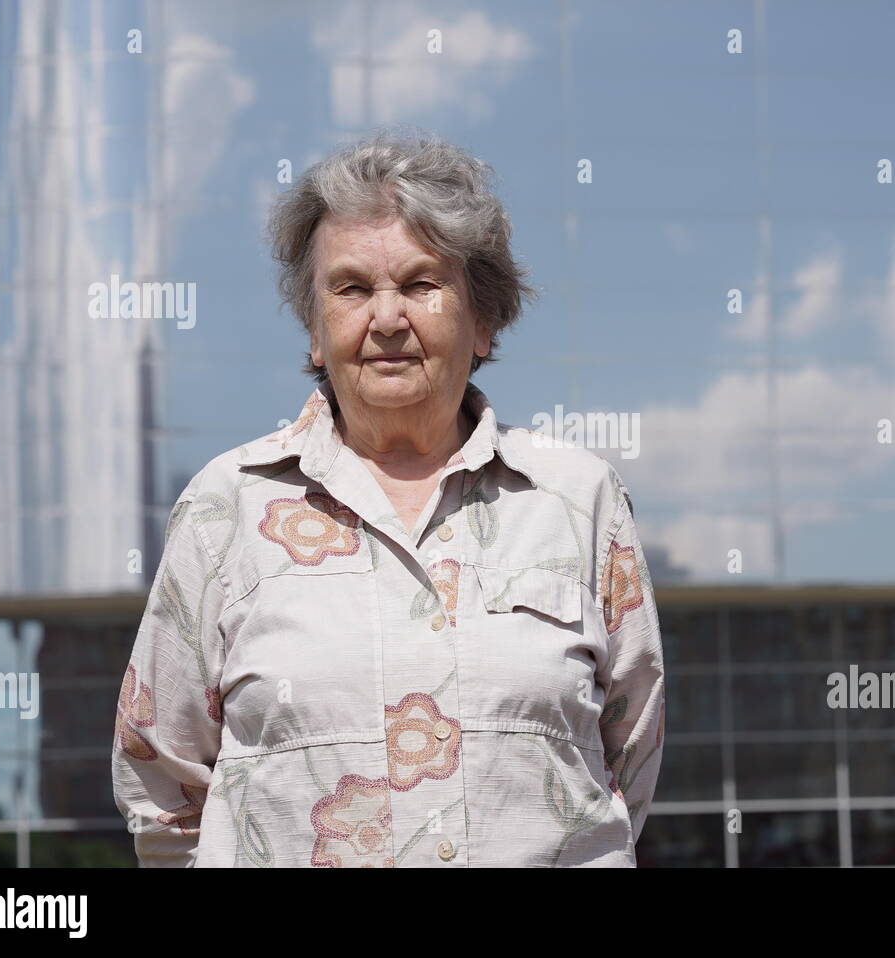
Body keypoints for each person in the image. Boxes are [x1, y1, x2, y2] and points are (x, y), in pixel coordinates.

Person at [111, 128, 665, 867]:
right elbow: (161, 782)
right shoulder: (225, 508)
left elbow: (627, 761)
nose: (386, 319)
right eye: (350, 289)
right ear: (314, 330)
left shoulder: (578, 498)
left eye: (420, 284)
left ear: (486, 319)